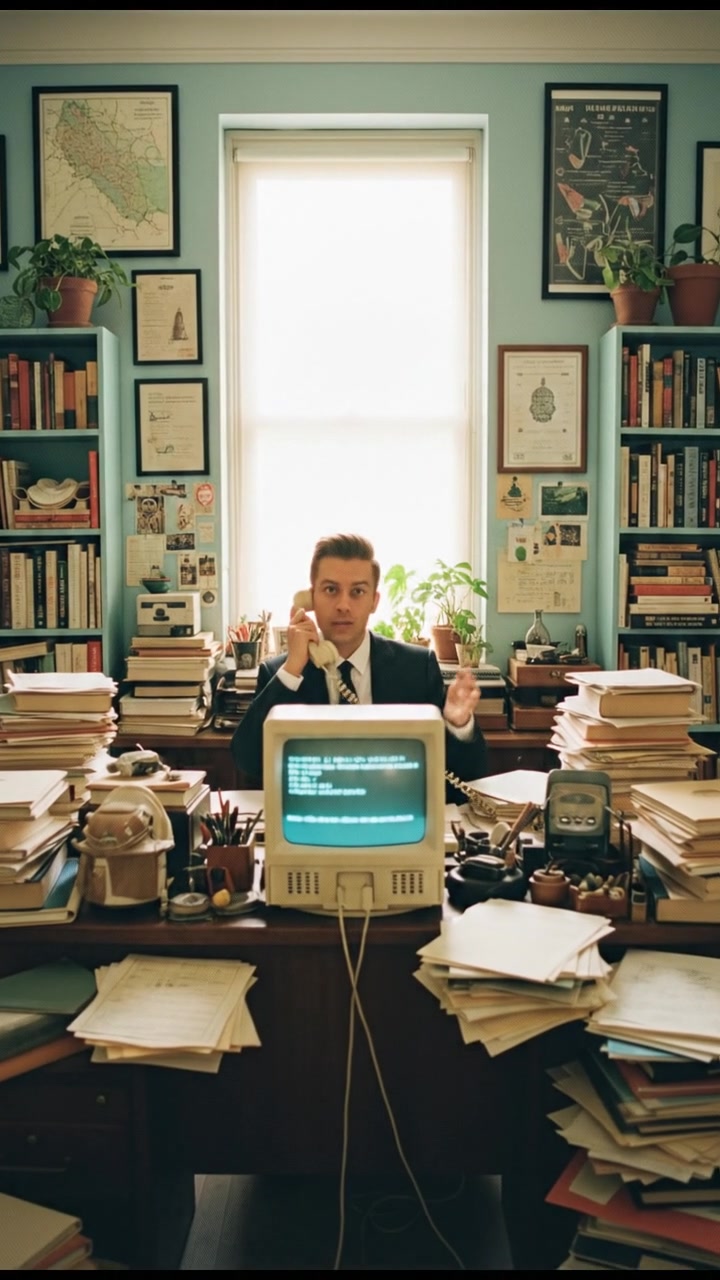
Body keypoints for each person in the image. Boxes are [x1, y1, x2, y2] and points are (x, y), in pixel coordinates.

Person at [231, 534, 487, 800]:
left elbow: (467, 776)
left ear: (374, 601)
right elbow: (248, 762)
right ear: (311, 599)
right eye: (330, 590)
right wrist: (293, 667)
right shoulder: (280, 673)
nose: (343, 605)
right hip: (316, 817)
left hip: (393, 815)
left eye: (357, 592)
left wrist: (458, 724)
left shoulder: (416, 668)